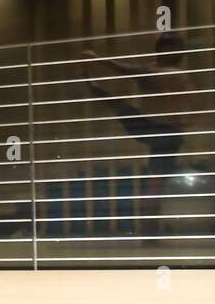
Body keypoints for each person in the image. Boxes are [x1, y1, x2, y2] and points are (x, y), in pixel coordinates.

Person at [79, 33, 196, 233]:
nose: (179, 53)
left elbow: (128, 71)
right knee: (155, 185)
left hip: (166, 134)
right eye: (174, 48)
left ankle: (150, 231)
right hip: (157, 129)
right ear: (163, 49)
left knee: (155, 186)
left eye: (179, 49)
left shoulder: (171, 73)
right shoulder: (161, 69)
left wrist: (96, 58)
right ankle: (150, 230)